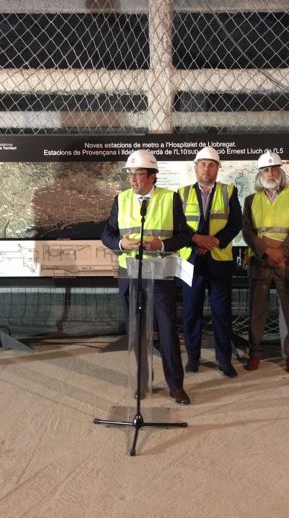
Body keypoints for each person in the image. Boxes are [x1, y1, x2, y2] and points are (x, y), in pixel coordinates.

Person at [101, 149, 193, 404]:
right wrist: (121, 243)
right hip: (130, 275)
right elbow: (106, 235)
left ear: (152, 176)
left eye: (138, 174)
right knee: (136, 333)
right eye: (130, 174)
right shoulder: (121, 200)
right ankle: (141, 383)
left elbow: (184, 235)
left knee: (166, 331)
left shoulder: (170, 199)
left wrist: (161, 245)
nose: (132, 179)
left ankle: (176, 385)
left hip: (160, 276)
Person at [178, 147, 243, 378]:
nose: (207, 168)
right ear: (195, 167)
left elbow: (236, 223)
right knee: (191, 313)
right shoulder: (182, 193)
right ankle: (193, 359)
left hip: (219, 261)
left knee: (221, 313)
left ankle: (224, 361)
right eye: (203, 164)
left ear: (218, 168)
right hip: (191, 260)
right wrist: (198, 241)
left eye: (211, 164)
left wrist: (214, 242)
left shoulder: (229, 191)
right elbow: (179, 227)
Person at [242, 151, 289, 372]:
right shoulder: (251, 200)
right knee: (257, 311)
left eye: (275, 169)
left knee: (288, 310)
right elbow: (248, 232)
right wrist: (267, 251)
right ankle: (255, 353)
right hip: (261, 261)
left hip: (285, 262)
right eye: (266, 170)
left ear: (281, 172)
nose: (271, 173)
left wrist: (283, 253)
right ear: (259, 174)